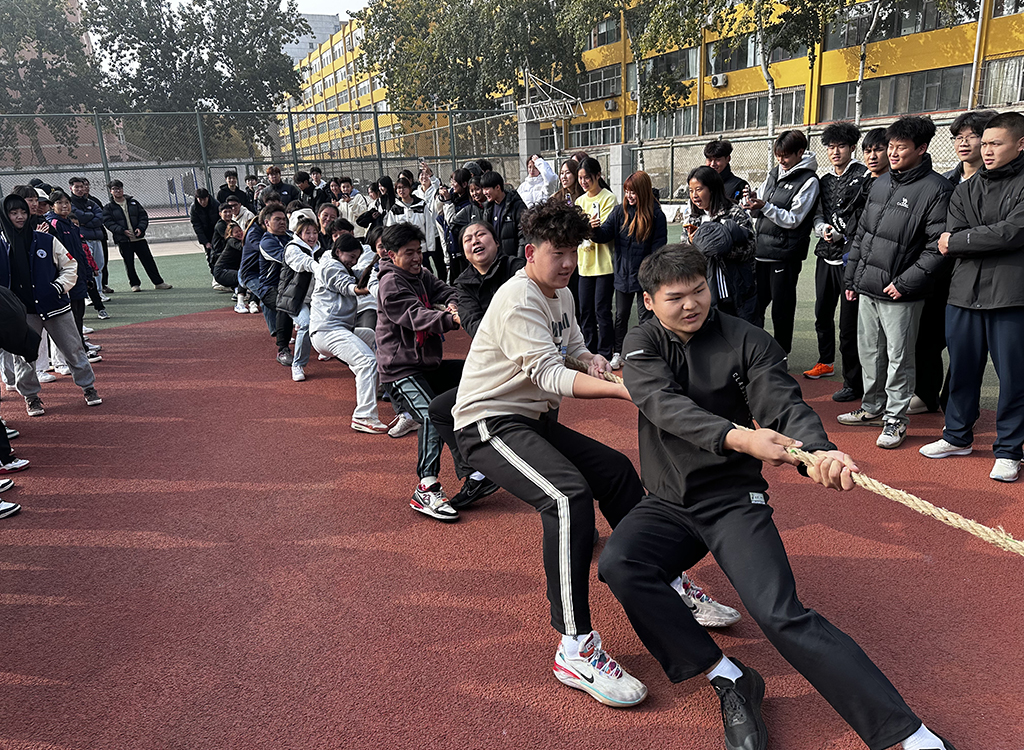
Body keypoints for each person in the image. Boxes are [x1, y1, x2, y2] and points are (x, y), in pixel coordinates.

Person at [601, 243, 956, 750]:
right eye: (675, 297)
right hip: (668, 502)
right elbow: (663, 404)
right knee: (621, 564)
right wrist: (742, 437)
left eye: (699, 290)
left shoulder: (748, 339)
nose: (691, 304)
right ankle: (727, 675)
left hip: (732, 499)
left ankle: (906, 734)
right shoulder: (642, 342)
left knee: (780, 614)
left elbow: (783, 405)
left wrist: (818, 452)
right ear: (650, 301)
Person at [451, 202, 649, 709]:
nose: (568, 263)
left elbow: (573, 350)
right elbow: (548, 374)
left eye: (574, 253)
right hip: (488, 423)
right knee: (566, 499)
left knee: (617, 472)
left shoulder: (560, 293)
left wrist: (595, 361)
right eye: (558, 253)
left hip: (531, 420)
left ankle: (661, 574)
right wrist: (624, 392)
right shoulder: (518, 298)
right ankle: (575, 647)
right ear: (530, 252)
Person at [920, 111, 1024, 483]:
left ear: (1020, 144)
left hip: (1010, 296)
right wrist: (976, 238)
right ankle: (957, 436)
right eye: (986, 144)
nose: (987, 150)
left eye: (996, 143)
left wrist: (965, 240)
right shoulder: (965, 187)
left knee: (1013, 378)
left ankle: (1009, 450)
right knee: (962, 370)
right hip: (963, 294)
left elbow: (1013, 232)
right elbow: (950, 237)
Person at [840, 116, 953, 449]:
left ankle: (895, 420)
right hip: (867, 287)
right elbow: (863, 234)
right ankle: (872, 409)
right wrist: (852, 278)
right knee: (870, 353)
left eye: (900, 147)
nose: (892, 153)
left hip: (901, 293)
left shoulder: (936, 189)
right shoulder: (880, 183)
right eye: (890, 146)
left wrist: (905, 283)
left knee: (899, 359)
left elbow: (937, 247)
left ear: (921, 148)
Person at [375, 223, 466, 520]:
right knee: (430, 414)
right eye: (409, 253)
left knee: (475, 378)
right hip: (400, 369)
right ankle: (426, 487)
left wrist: (453, 305)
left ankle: (475, 468)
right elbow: (415, 316)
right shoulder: (390, 283)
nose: (417, 258)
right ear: (391, 255)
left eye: (419, 251)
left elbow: (448, 290)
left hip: (427, 365)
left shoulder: (421, 274)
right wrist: (451, 320)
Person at [0, 193, 102, 416]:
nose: (20, 216)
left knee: (73, 349)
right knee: (25, 357)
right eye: (14, 213)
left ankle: (88, 387)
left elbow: (70, 265)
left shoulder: (45, 240)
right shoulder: (1, 245)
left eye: (23, 212)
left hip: (55, 307)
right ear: (5, 216)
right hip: (23, 314)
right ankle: (31, 397)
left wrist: (58, 287)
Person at [806, 121, 871, 392]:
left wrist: (843, 236)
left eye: (841, 146)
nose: (835, 152)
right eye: (831, 147)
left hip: (849, 259)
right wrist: (822, 228)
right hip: (825, 256)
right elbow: (818, 213)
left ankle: (853, 380)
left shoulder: (864, 176)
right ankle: (825, 362)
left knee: (848, 324)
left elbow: (864, 219)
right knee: (822, 313)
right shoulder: (824, 180)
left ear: (852, 147)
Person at [831, 126, 891, 409]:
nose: (873, 156)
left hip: (885, 270)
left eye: (878, 149)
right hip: (854, 264)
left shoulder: (896, 186)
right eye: (868, 150)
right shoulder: (860, 183)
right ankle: (852, 383)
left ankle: (883, 392)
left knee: (883, 338)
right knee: (848, 329)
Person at [744, 130, 819, 354]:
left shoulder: (809, 181)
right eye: (778, 155)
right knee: (754, 305)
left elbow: (794, 219)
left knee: (782, 310)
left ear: (800, 152)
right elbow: (761, 202)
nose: (781, 160)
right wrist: (752, 204)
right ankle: (752, 352)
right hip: (761, 252)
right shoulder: (775, 172)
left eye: (786, 156)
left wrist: (765, 207)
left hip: (785, 256)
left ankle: (781, 355)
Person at [310, 234, 392, 434]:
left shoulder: (343, 267)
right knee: (367, 361)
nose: (353, 261)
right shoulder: (330, 266)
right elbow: (350, 287)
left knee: (372, 337)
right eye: (351, 256)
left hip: (338, 329)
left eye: (356, 258)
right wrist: (377, 288)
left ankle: (376, 384)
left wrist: (379, 263)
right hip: (328, 331)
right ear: (338, 252)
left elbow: (360, 274)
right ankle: (364, 416)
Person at [590, 170, 667, 368]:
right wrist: (594, 229)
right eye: (626, 191)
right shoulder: (619, 212)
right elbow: (604, 234)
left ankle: (646, 352)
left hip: (645, 277)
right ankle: (618, 352)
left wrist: (650, 273)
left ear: (643, 191)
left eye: (633, 192)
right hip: (623, 274)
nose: (629, 196)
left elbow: (658, 248)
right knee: (621, 316)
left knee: (646, 317)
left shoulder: (656, 215)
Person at [683, 166, 757, 322]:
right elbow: (685, 253)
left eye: (699, 189)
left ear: (712, 189)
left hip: (736, 289)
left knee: (740, 330)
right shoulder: (693, 219)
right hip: (705, 292)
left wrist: (722, 248)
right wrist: (692, 243)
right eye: (691, 191)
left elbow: (751, 246)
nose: (694, 195)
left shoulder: (733, 212)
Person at [45, 190, 107, 345]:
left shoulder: (71, 225)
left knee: (79, 312)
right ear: (52, 206)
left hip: (79, 275)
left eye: (67, 202)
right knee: (71, 314)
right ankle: (75, 348)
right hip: (66, 277)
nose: (64, 206)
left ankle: (80, 345)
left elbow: (80, 252)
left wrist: (87, 273)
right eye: (59, 203)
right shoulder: (54, 224)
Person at [575, 157, 616, 359]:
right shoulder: (579, 202)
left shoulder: (609, 199)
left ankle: (606, 352)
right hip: (584, 265)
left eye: (587, 177)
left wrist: (588, 228)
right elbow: (577, 231)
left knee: (602, 310)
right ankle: (589, 352)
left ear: (598, 175)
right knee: (585, 311)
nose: (583, 182)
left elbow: (604, 230)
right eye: (580, 178)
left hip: (603, 265)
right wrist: (586, 227)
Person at [102, 180, 171, 293]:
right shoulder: (108, 207)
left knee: (148, 261)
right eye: (114, 189)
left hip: (139, 239)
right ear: (111, 191)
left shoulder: (133, 203)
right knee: (129, 263)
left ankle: (158, 283)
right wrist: (122, 231)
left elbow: (143, 216)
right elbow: (108, 222)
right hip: (124, 241)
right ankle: (134, 284)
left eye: (119, 188)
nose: (118, 191)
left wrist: (140, 228)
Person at [278, 216, 321, 382]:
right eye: (307, 232)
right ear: (299, 234)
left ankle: (324, 348)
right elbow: (302, 263)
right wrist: (318, 267)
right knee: (305, 324)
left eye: (315, 232)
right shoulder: (292, 248)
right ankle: (298, 365)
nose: (312, 236)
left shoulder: (320, 249)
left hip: (315, 299)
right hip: (294, 299)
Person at [68, 177, 106, 297]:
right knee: (87, 267)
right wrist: (90, 217)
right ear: (71, 188)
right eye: (77, 187)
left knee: (99, 265)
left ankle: (99, 292)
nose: (80, 189)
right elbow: (79, 217)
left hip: (97, 238)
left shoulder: (91, 202)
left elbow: (100, 217)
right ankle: (88, 295)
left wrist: (86, 221)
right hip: (84, 239)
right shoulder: (70, 204)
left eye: (82, 186)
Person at [435, 168, 473, 282]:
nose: (452, 185)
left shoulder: (468, 204)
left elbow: (452, 221)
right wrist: (442, 198)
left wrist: (448, 202)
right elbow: (438, 212)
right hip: (451, 250)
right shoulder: (454, 197)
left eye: (455, 182)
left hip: (462, 252)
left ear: (464, 184)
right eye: (451, 181)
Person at [481, 171, 528, 258]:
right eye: (483, 189)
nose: (484, 192)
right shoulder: (488, 209)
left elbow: (524, 236)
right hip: (495, 259)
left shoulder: (517, 206)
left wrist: (519, 260)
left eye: (487, 189)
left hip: (512, 260)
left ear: (497, 187)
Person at [704, 139, 749, 203]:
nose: (712, 164)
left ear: (728, 159)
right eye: (710, 160)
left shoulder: (739, 185)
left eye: (717, 160)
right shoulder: (701, 183)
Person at [190, 188, 221, 274]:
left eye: (204, 199)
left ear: (208, 197)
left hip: (217, 232)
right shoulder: (194, 208)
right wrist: (205, 242)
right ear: (196, 198)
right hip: (205, 233)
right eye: (200, 200)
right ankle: (214, 273)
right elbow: (197, 226)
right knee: (210, 255)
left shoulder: (216, 204)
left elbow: (220, 221)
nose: (203, 202)